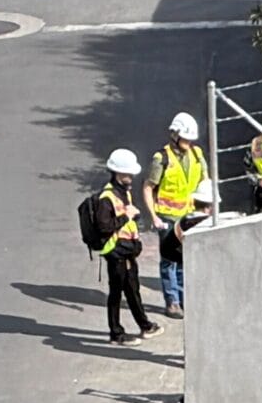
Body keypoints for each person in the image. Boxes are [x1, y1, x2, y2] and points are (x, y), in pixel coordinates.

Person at [89, 149, 159, 344]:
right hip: (116, 252)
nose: (130, 177)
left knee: (132, 289)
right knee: (116, 292)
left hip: (126, 250)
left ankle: (144, 326)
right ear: (117, 173)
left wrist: (131, 217)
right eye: (127, 174)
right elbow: (104, 227)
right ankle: (117, 333)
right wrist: (126, 216)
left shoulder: (123, 193)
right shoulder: (107, 198)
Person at [144, 111, 207, 263]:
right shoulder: (161, 158)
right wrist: (154, 217)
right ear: (175, 135)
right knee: (169, 260)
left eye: (190, 139)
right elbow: (148, 187)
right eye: (185, 139)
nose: (189, 142)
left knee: (185, 258)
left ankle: (182, 288)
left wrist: (205, 208)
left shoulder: (197, 154)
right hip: (167, 217)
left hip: (189, 215)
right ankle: (172, 288)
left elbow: (205, 182)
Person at [159, 178, 212, 318]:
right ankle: (174, 303)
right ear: (210, 207)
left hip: (175, 247)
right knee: (174, 268)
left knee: (182, 269)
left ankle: (183, 301)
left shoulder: (189, 218)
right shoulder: (199, 221)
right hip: (172, 249)